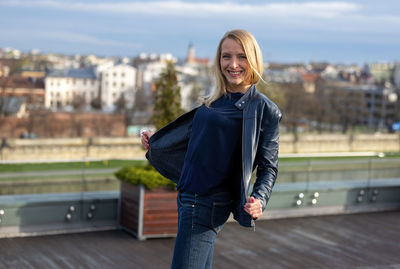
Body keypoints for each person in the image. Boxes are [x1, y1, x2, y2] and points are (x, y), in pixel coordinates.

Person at [141, 29, 281, 269]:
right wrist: (158, 140)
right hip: (188, 196)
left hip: (206, 202)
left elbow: (269, 166)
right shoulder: (215, 99)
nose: (233, 64)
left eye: (241, 57)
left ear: (254, 59)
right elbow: (198, 140)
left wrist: (260, 200)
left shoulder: (263, 109)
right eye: (226, 56)